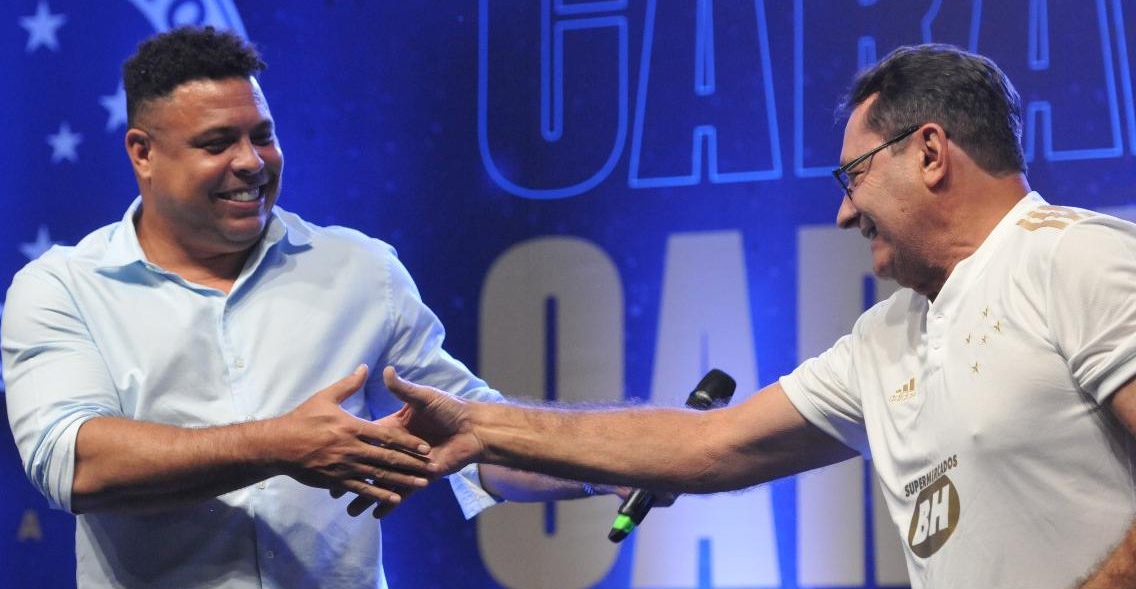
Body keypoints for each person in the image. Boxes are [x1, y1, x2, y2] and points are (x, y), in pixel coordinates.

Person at [384, 44, 1136, 588]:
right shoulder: (885, 339)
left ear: (931, 153)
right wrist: (484, 426)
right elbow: (708, 445)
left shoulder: (1076, 259)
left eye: (853, 175)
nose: (844, 212)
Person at [1, 26, 599, 588]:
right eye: (217, 143)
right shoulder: (64, 287)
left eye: (262, 135)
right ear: (142, 153)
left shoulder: (362, 271)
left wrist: (613, 467)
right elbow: (75, 465)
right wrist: (282, 445)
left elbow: (476, 437)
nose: (251, 161)